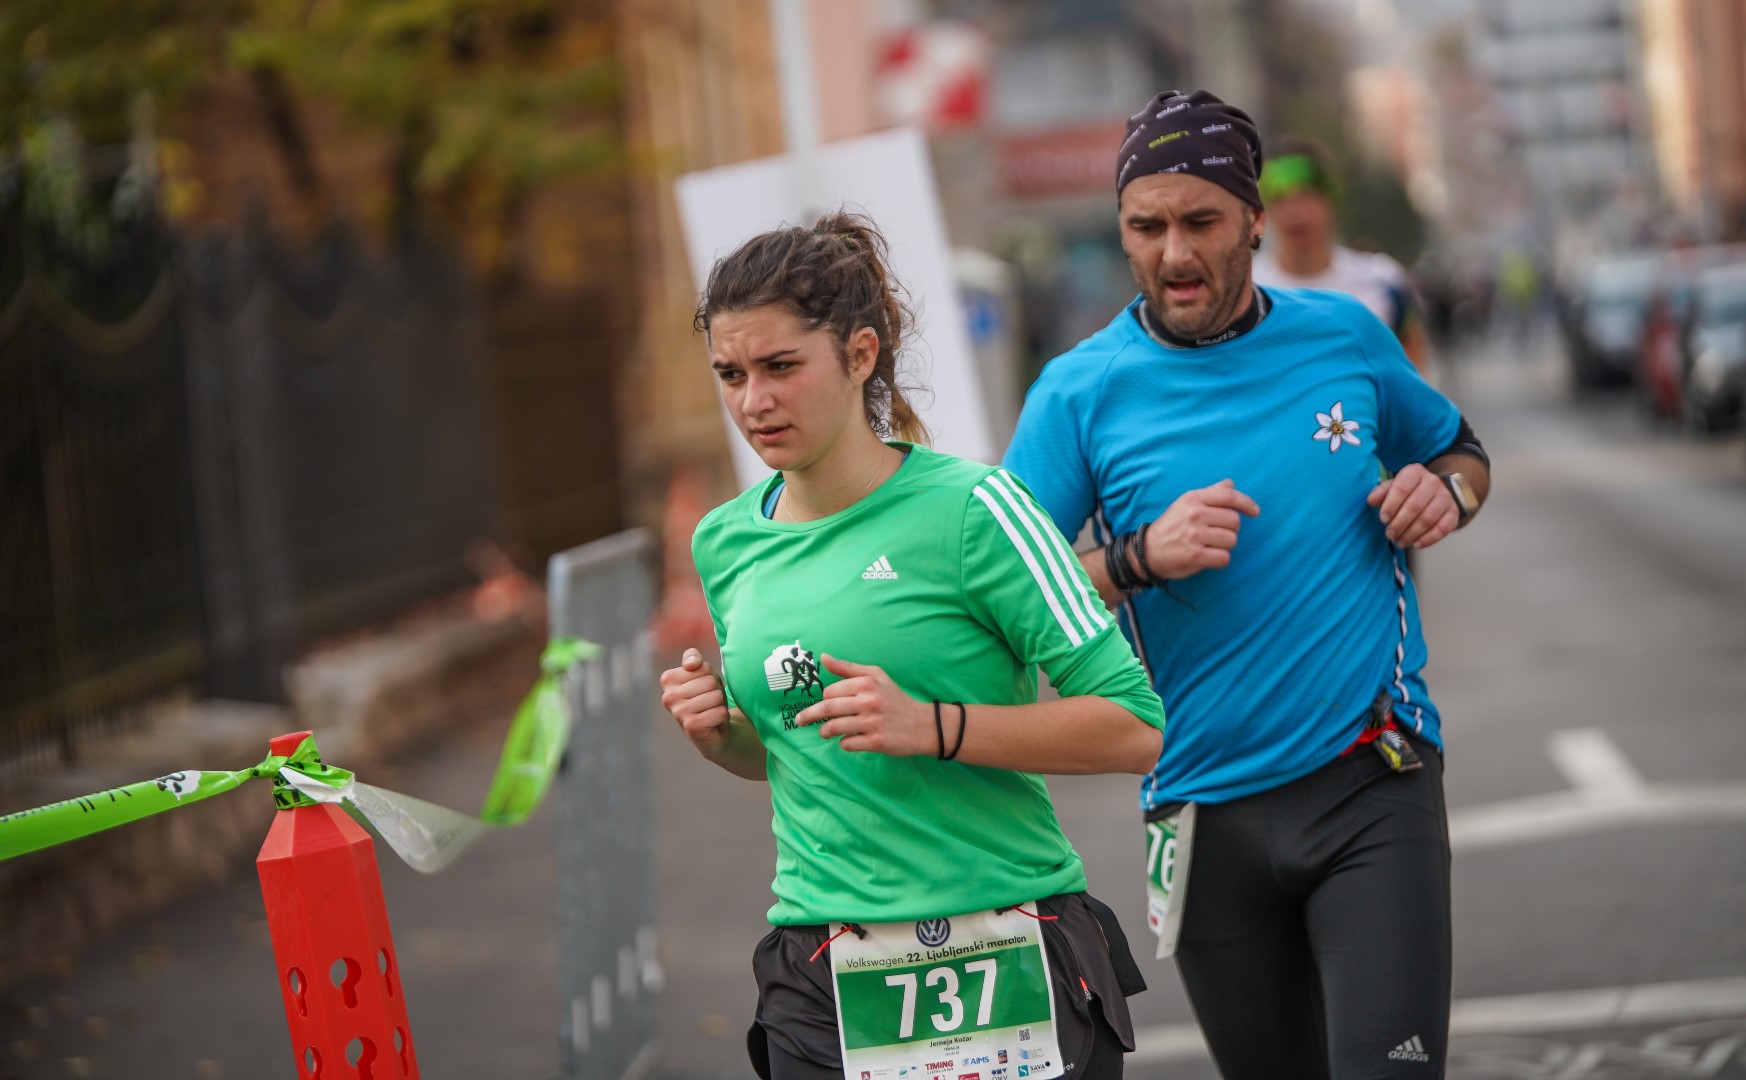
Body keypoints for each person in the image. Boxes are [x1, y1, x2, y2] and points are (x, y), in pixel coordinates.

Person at [1002, 90, 1492, 1080]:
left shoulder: (1344, 335)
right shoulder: (1078, 392)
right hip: (1200, 811)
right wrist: (1137, 557)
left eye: (1201, 221)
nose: (1174, 253)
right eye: (1147, 227)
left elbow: (1460, 452)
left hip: (1372, 778)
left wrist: (1443, 494)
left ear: (1255, 220)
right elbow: (1009, 600)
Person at [660, 210, 1167, 1080]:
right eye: (731, 374)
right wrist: (722, 736)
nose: (753, 402)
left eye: (781, 366)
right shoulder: (725, 541)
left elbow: (1136, 727)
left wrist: (936, 726)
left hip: (1006, 941)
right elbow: (790, 753)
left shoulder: (976, 510)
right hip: (821, 962)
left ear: (860, 354)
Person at [1252, 136, 1434, 374]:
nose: (1293, 211)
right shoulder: (1248, 292)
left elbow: (1413, 367)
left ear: (1329, 200)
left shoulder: (1383, 281)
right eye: (1279, 198)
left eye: (1305, 195)